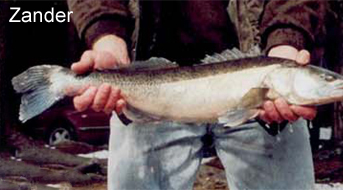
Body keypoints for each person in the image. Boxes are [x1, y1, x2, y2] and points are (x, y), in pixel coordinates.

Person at [67, 0, 326, 189]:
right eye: (326, 79)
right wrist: (106, 36)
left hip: (258, 81)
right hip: (148, 88)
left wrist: (287, 41)